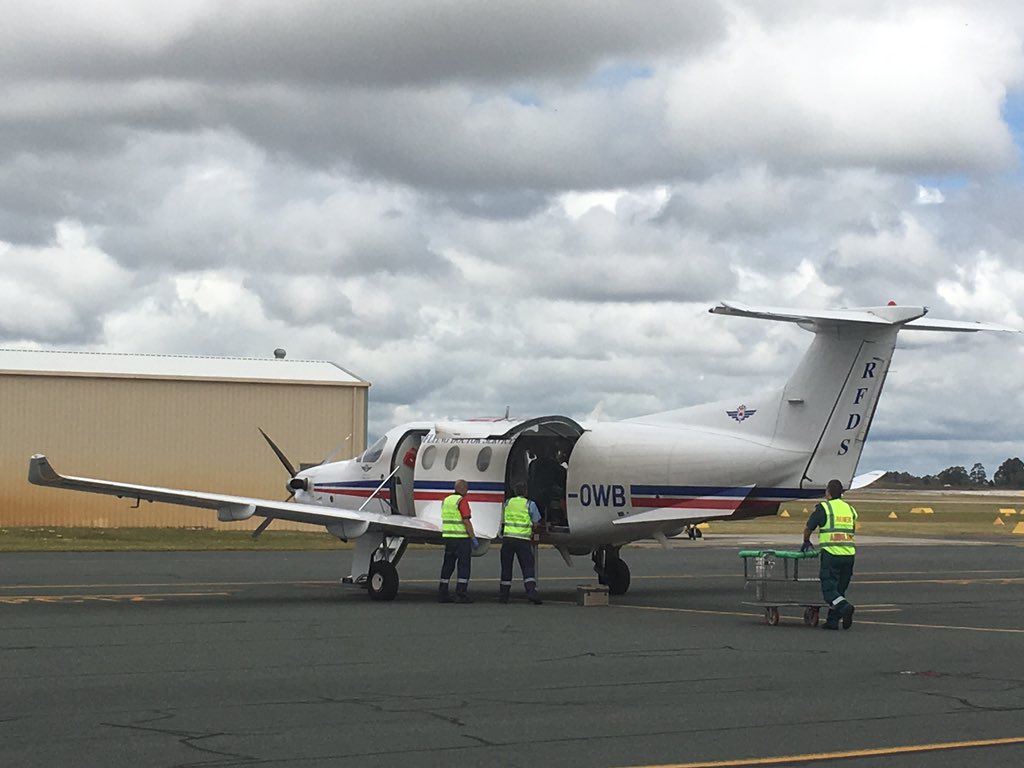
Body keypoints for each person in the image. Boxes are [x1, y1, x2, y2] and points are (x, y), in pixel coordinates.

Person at [802, 478, 857, 630]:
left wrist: (806, 540)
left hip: (831, 554)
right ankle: (832, 621)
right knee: (840, 589)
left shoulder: (824, 508)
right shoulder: (850, 509)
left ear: (828, 492)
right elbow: (852, 530)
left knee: (829, 590)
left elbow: (809, 526)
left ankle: (845, 608)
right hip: (849, 554)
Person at [499, 483, 542, 604]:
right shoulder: (529, 504)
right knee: (527, 567)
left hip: (508, 539)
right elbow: (536, 523)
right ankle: (531, 593)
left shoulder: (507, 503)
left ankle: (504, 595)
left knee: (506, 568)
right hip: (523, 540)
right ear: (526, 492)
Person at [438, 479, 478, 603]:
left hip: (449, 538)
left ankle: (443, 592)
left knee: (448, 565)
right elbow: (466, 520)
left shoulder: (446, 500)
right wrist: (473, 537)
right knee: (464, 566)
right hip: (461, 539)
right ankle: (461, 593)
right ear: (464, 489)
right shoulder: (462, 501)